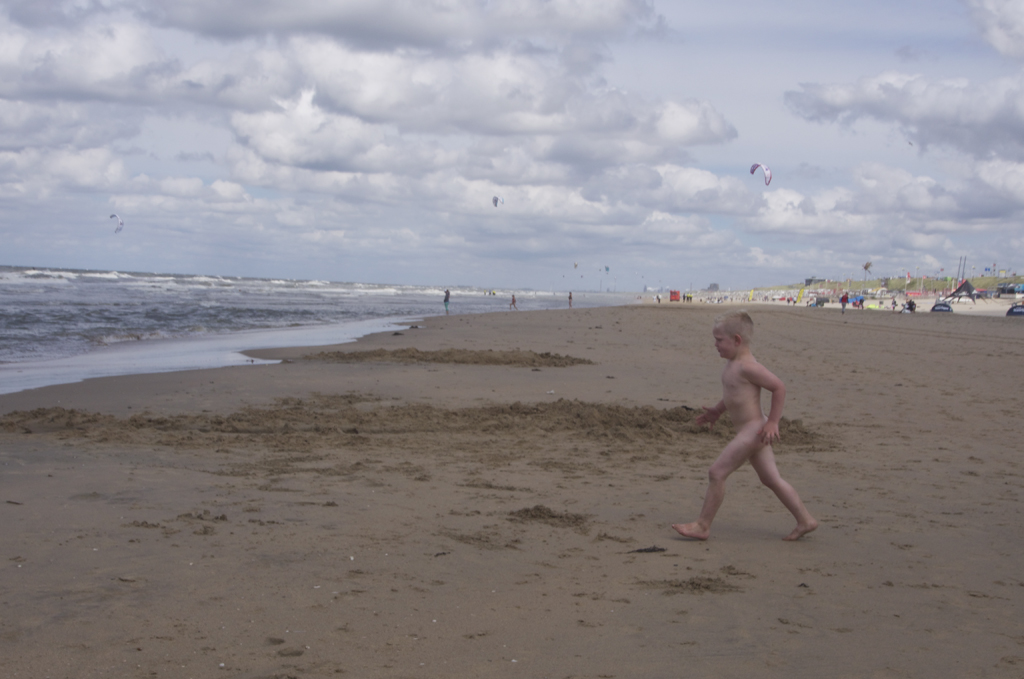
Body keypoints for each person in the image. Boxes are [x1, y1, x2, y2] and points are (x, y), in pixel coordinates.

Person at [672, 311, 817, 541]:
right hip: (751, 431)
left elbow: (779, 388)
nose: (715, 345)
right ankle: (805, 520)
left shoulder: (748, 367)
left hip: (754, 430)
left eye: (720, 340)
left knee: (717, 473)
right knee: (771, 480)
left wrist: (773, 422)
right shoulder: (733, 363)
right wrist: (718, 411)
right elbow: (735, 395)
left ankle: (702, 525)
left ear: (737, 340)